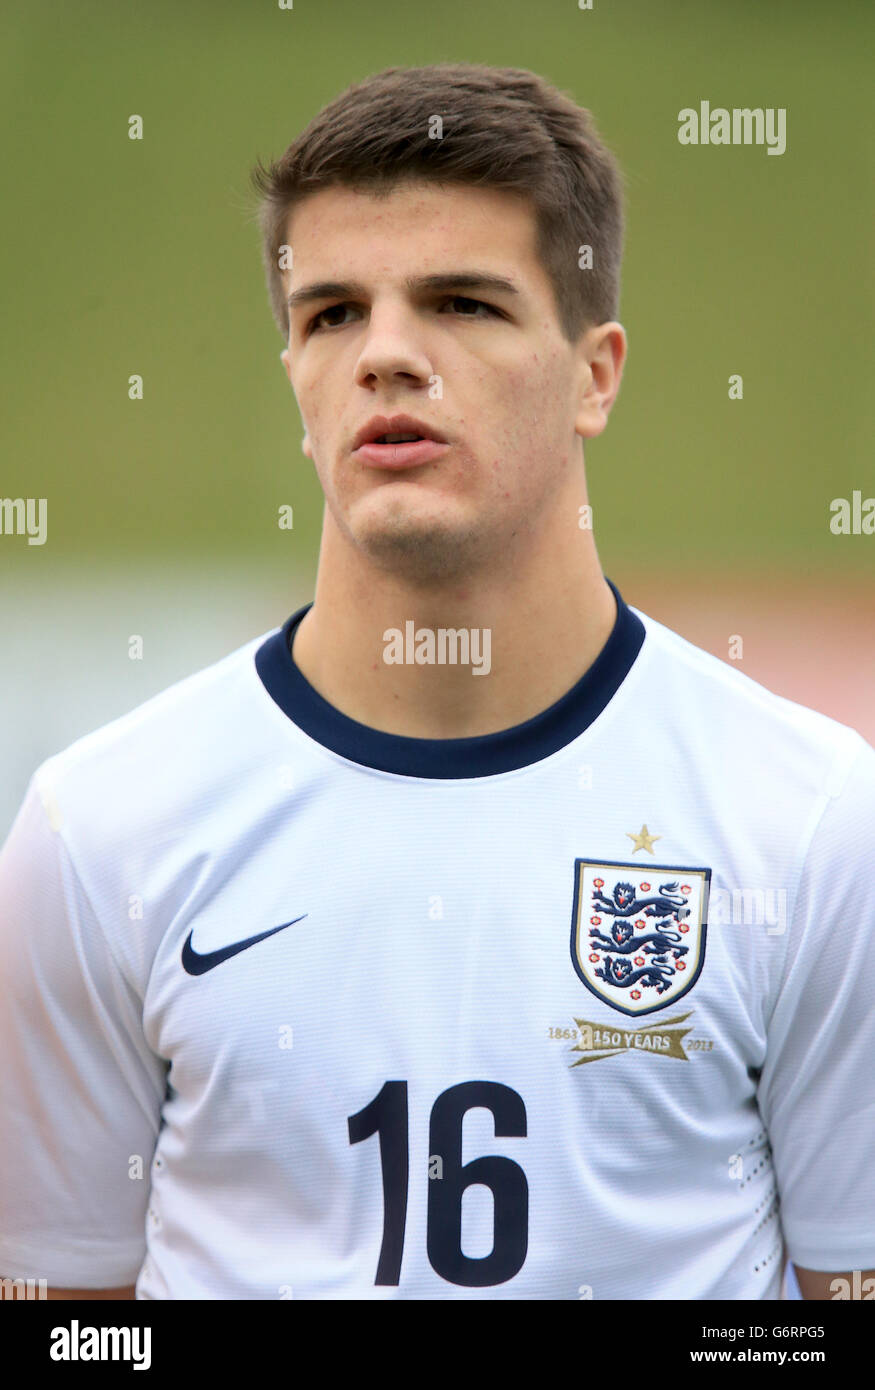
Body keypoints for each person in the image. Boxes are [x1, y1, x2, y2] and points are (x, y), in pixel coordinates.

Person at [1, 64, 873, 1301]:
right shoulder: (98, 832)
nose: (386, 357)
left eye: (461, 303)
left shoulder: (811, 824)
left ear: (595, 374)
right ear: (296, 382)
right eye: (333, 314)